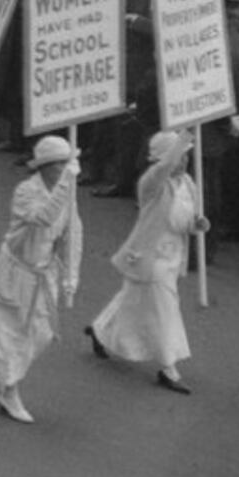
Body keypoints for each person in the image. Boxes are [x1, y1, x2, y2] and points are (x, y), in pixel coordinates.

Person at [0, 137, 87, 423]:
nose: (65, 169)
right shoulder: (25, 192)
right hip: (15, 272)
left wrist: (71, 276)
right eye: (59, 165)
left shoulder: (68, 192)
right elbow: (42, 218)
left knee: (40, 333)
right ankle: (9, 388)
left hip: (44, 274)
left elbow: (73, 234)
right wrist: (67, 183)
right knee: (10, 330)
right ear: (44, 166)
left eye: (67, 164)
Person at [87, 130, 202, 392]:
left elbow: (185, 218)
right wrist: (183, 137)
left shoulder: (189, 183)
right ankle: (168, 368)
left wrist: (197, 225)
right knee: (166, 308)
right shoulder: (151, 183)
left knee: (132, 299)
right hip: (150, 256)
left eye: (187, 156)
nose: (184, 162)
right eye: (180, 156)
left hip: (173, 256)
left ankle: (100, 330)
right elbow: (165, 168)